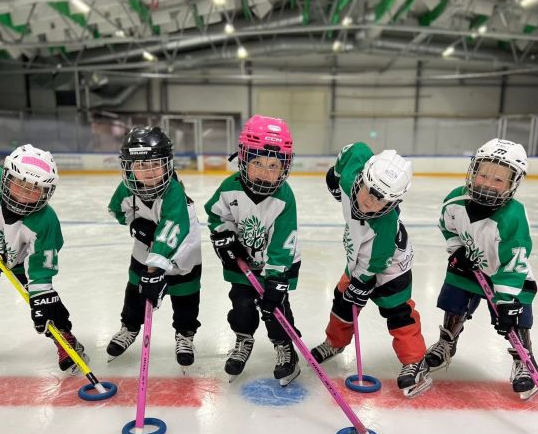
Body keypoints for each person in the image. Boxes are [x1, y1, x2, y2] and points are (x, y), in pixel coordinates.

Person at [0, 144, 87, 372]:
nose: (24, 194)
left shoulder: (45, 222)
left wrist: (41, 297)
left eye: (34, 189)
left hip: (23, 261)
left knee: (45, 303)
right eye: (19, 184)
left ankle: (64, 336)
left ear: (46, 192)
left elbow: (41, 269)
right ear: (6, 178)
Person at [310, 142, 430, 397]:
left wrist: (361, 283)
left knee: (397, 312)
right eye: (368, 190)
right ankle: (335, 342)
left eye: (381, 199)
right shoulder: (350, 179)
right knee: (342, 300)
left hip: (390, 267)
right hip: (359, 255)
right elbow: (356, 149)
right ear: (362, 177)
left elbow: (377, 262)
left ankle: (415, 361)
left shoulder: (384, 225)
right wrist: (335, 173)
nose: (369, 201)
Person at [424, 138, 538, 400]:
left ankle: (523, 357)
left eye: (498, 180)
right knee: (454, 301)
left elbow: (515, 262)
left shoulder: (513, 216)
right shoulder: (455, 200)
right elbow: (447, 227)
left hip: (506, 277)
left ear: (512, 183)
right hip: (468, 266)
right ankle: (447, 340)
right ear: (473, 171)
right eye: (483, 175)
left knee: (515, 317)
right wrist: (457, 250)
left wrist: (506, 302)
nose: (487, 183)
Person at [204, 114, 301, 386]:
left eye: (273, 165)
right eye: (257, 162)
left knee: (276, 309)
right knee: (242, 306)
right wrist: (224, 237)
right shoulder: (229, 188)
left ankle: (285, 346)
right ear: (244, 158)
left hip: (278, 264)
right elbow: (215, 216)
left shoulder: (284, 198)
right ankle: (243, 338)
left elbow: (283, 241)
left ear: (284, 167)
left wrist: (276, 279)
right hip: (242, 260)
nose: (265, 172)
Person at [106, 126, 202, 366]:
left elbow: (171, 230)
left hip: (182, 251)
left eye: (155, 164)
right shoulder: (126, 189)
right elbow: (116, 210)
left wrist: (154, 270)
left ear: (167, 164)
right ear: (129, 167)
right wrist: (134, 224)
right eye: (141, 165)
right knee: (135, 292)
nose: (149, 171)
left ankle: (185, 334)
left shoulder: (173, 192)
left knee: (185, 296)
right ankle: (129, 327)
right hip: (144, 251)